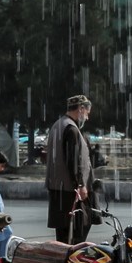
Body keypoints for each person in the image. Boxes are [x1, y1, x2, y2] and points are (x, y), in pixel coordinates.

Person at [45, 94, 96, 244]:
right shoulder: (71, 129)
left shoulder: (58, 125)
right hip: (70, 192)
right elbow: (73, 161)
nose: (87, 118)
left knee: (64, 236)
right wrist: (80, 184)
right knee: (76, 234)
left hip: (59, 191)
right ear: (81, 109)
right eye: (87, 113)